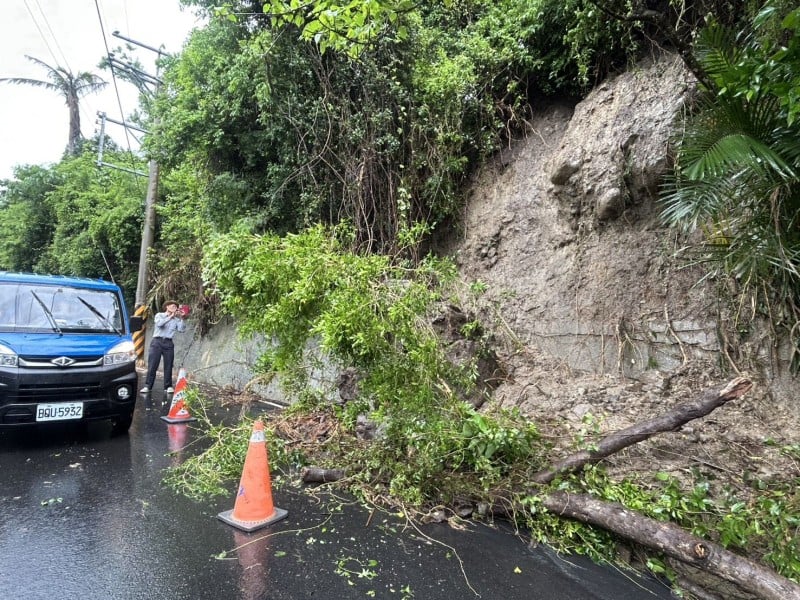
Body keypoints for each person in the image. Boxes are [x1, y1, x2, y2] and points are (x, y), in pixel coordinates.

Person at [140, 300, 186, 394]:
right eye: (172, 306)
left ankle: (168, 386)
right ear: (167, 307)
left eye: (176, 307)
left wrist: (182, 318)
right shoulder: (159, 315)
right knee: (153, 365)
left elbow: (181, 330)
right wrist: (170, 317)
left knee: (168, 365)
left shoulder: (176, 320)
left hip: (168, 343)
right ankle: (148, 386)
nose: (175, 308)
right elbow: (159, 324)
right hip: (157, 342)